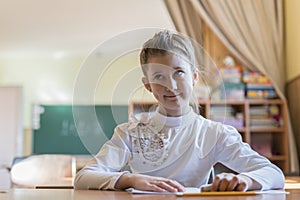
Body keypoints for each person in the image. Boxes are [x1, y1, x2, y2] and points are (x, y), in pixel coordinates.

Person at [74, 30, 285, 192]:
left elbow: (274, 174)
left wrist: (244, 179)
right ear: (148, 85)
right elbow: (84, 177)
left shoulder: (215, 133)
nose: (171, 86)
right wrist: (130, 179)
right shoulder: (130, 132)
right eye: (159, 77)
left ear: (194, 77)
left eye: (179, 73)